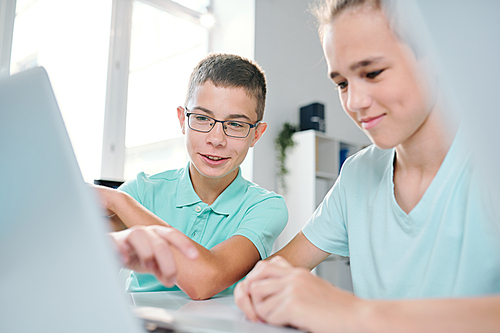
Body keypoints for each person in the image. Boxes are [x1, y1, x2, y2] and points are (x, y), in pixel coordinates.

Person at [234, 0, 500, 331]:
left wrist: (355, 312)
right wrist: (259, 285)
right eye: (342, 83)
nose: (354, 102)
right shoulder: (358, 174)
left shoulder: (489, 159)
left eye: (372, 73)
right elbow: (280, 266)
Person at [97, 53, 288, 300]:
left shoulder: (265, 207)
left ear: (257, 134)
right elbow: (83, 260)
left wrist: (119, 202)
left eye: (236, 125)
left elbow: (205, 280)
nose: (216, 139)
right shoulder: (142, 191)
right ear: (182, 120)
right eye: (201, 118)